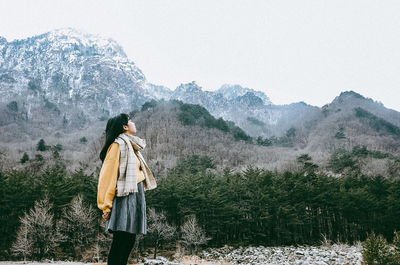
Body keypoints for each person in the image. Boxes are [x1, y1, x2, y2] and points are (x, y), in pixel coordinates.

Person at [97, 113, 157, 265]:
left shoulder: (132, 145)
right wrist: (106, 205)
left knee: (130, 239)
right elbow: (107, 177)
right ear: (124, 127)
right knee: (121, 239)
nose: (133, 122)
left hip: (136, 194)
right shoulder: (118, 145)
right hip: (124, 196)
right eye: (130, 121)